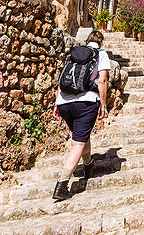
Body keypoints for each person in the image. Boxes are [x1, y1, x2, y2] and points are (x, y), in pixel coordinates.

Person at [52, 30, 110, 201]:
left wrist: (57, 103)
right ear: (101, 43)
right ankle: (62, 184)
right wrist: (103, 105)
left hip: (64, 102)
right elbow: (102, 80)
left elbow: (63, 78)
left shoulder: (74, 53)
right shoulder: (101, 54)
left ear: (87, 40)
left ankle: (88, 165)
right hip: (86, 102)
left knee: (82, 136)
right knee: (78, 142)